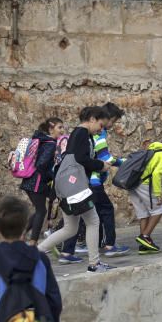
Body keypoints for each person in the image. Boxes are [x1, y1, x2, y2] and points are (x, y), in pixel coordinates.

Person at [38, 106, 113, 273]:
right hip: (76, 186)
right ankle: (94, 264)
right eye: (101, 125)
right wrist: (101, 165)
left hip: (70, 186)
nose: (101, 130)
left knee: (70, 228)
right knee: (93, 221)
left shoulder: (78, 134)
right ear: (92, 119)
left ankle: (35, 253)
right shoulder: (82, 134)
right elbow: (80, 158)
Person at [60, 102, 129, 259]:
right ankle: (107, 245)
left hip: (83, 181)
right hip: (91, 181)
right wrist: (121, 162)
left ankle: (69, 251)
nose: (104, 127)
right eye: (112, 121)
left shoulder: (82, 133)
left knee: (82, 218)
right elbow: (96, 157)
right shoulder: (91, 134)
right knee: (104, 211)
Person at [21, 117, 63, 246]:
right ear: (51, 128)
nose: (62, 130)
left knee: (41, 208)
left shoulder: (41, 140)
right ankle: (33, 242)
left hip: (30, 181)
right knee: (41, 210)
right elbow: (41, 164)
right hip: (36, 182)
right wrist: (53, 175)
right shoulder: (50, 144)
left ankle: (22, 235)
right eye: (59, 127)